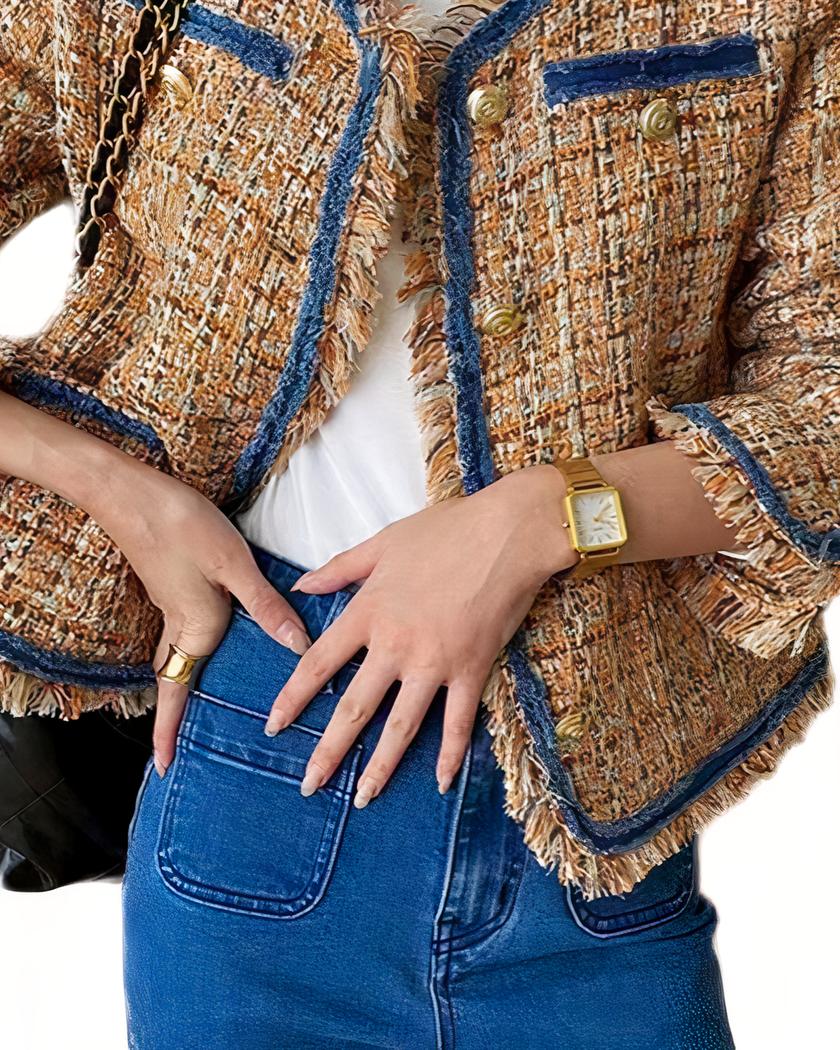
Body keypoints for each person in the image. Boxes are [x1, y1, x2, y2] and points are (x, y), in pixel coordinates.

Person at [0, 0, 837, 1047]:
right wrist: (124, 496)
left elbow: (824, 401)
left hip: (608, 819)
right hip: (265, 745)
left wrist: (546, 517)